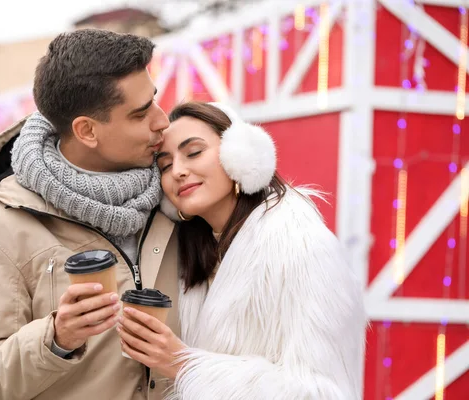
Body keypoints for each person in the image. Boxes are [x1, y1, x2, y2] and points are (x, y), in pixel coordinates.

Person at [0, 29, 181, 400]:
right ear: (87, 131)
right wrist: (57, 337)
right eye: (141, 114)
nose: (162, 122)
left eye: (155, 101)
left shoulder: (176, 195)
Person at [117, 102, 367, 399]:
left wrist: (184, 365)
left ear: (239, 155)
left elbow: (322, 391)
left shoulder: (301, 245)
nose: (179, 171)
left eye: (194, 152)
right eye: (165, 165)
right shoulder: (194, 251)